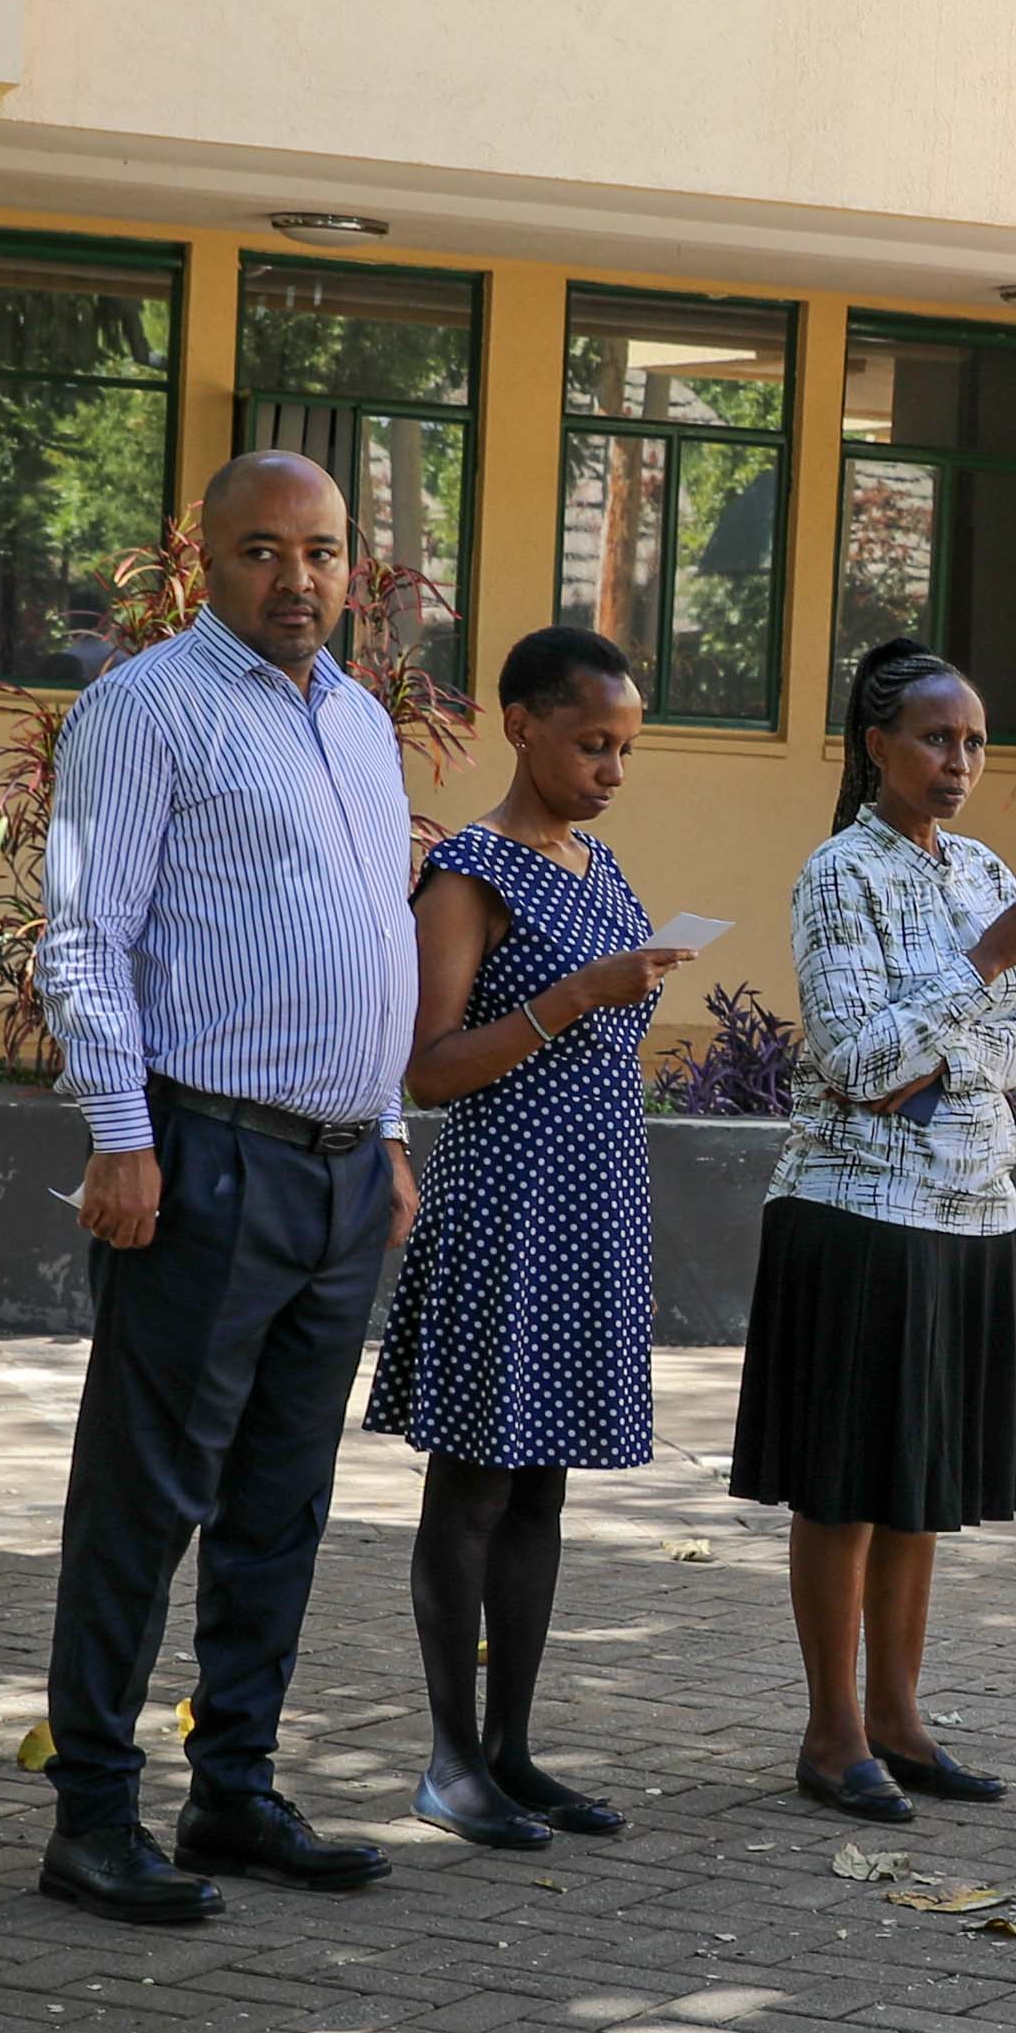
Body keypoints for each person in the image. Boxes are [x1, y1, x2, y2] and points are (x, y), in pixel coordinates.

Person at [30, 450, 427, 1923]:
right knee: (147, 1498)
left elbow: (373, 934)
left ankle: (236, 1792)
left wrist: (384, 1133)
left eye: (323, 552)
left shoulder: (365, 723)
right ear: (208, 563)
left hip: (335, 1179)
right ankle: (90, 1816)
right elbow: (84, 939)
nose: (299, 578)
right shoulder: (148, 710)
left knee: (281, 1501)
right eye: (265, 551)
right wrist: (121, 1138)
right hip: (199, 1160)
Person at [366, 629, 696, 1850]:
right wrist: (571, 1000)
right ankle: (450, 1760)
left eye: (625, 748)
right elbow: (430, 1063)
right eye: (592, 742)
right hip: (509, 1200)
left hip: (593, 1201)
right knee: (475, 1483)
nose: (613, 768)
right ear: (522, 725)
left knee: (544, 1486)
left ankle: (512, 1749)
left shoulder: (598, 860)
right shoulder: (468, 872)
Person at [742, 641, 1016, 1823]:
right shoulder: (840, 874)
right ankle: (832, 1736)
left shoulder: (984, 865)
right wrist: (980, 971)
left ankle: (902, 1722)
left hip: (975, 1209)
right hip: (856, 1213)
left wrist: (945, 1057)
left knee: (920, 1482)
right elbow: (853, 1059)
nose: (959, 761)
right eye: (936, 738)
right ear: (876, 747)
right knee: (847, 1485)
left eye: (975, 741)